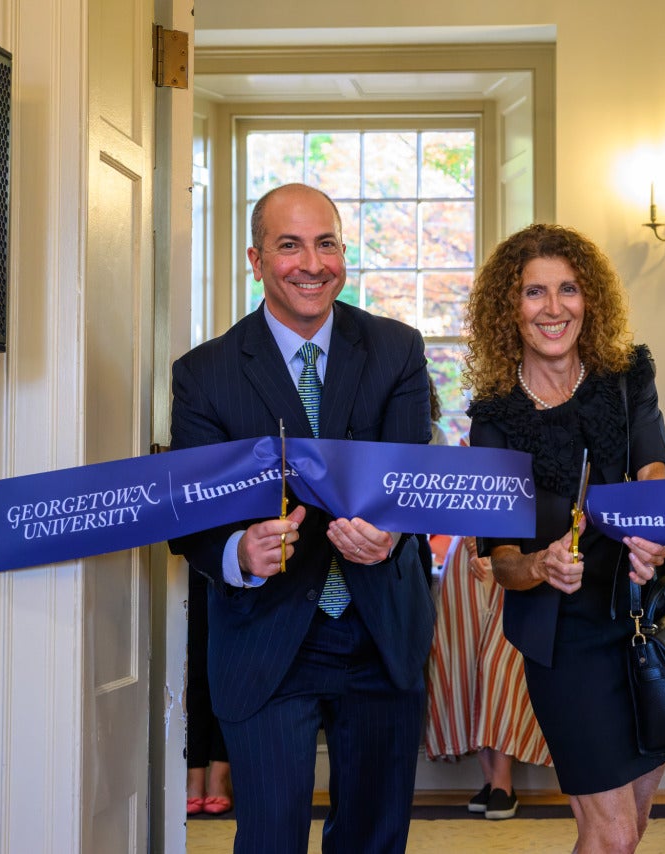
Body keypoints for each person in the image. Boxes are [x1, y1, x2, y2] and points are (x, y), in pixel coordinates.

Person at [168, 182, 434, 853]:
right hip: (267, 637)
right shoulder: (205, 374)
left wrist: (391, 533)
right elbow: (189, 519)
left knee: (374, 840)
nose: (312, 263)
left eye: (326, 243)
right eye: (290, 246)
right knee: (270, 840)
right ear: (256, 260)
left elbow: (409, 474)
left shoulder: (398, 350)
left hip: (380, 631)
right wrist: (238, 553)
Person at [465, 223, 665, 853]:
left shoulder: (626, 373)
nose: (554, 308)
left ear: (591, 299)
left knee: (628, 829)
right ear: (510, 308)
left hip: (651, 619)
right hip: (566, 640)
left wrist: (652, 525)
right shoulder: (494, 416)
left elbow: (654, 464)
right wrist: (540, 565)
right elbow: (499, 560)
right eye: (535, 293)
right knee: (611, 836)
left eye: (568, 289)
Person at [424, 534, 552, 819]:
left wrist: (485, 538)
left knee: (498, 664)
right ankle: (492, 780)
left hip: (513, 556)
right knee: (465, 664)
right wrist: (469, 534)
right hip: (462, 562)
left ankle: (502, 783)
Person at [185, 564, 232, 816]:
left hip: (243, 554)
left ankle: (220, 774)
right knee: (193, 669)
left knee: (231, 668)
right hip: (189, 560)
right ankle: (194, 775)